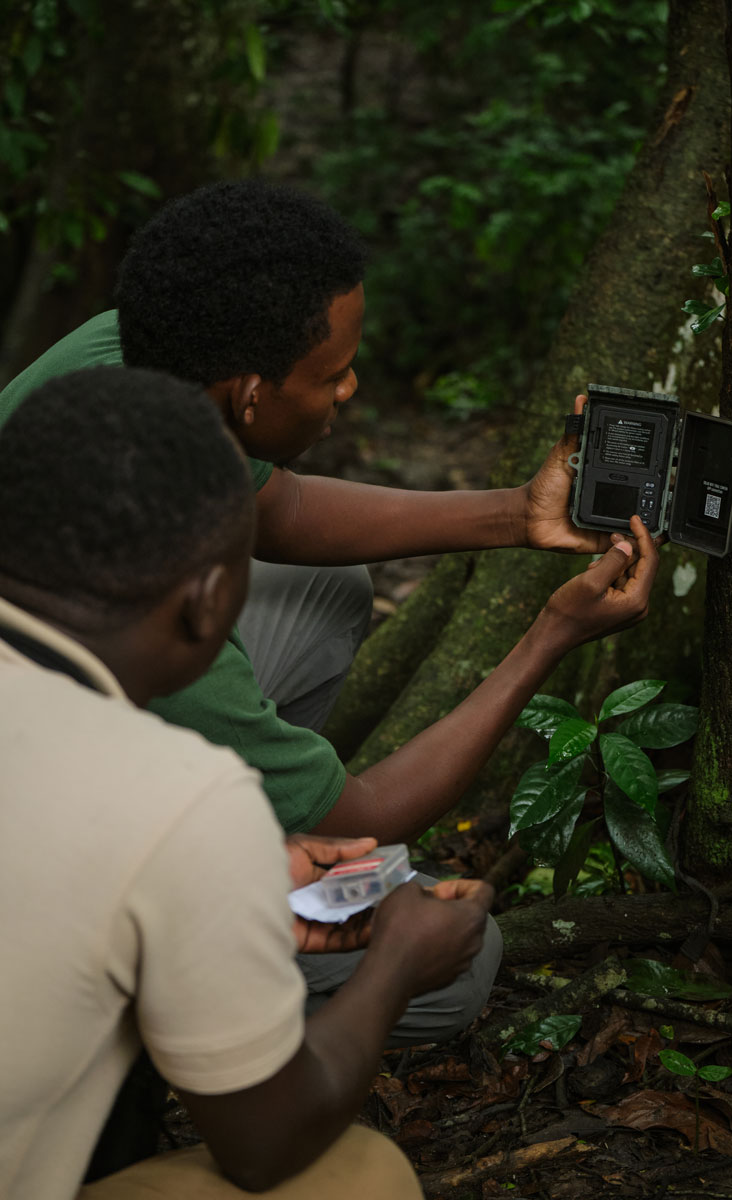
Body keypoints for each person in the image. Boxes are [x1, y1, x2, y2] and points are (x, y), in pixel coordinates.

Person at [0, 179, 657, 1045]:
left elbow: (284, 512)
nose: (350, 389)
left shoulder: (144, 348)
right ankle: (151, 1007)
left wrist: (517, 516)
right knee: (460, 963)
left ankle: (242, 832)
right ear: (248, 396)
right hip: (40, 855)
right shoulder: (156, 613)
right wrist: (550, 638)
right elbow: (365, 814)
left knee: (319, 592)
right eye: (331, 374)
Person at [0, 365, 496, 1200]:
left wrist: (240, 875)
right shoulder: (182, 795)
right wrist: (396, 967)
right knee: (365, 1172)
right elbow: (263, 1143)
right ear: (207, 605)